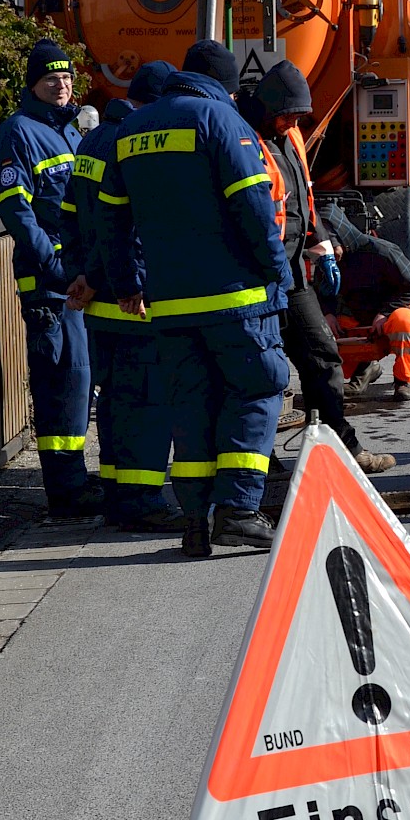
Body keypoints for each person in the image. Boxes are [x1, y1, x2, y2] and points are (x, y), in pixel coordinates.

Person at [98, 39, 293, 559]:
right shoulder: (223, 122)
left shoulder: (131, 130)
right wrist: (280, 271)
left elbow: (111, 221)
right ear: (225, 84)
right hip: (237, 298)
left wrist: (127, 285)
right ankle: (240, 511)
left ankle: (194, 523)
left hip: (170, 302)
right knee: (256, 390)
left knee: (191, 406)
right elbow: (254, 206)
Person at [242, 62, 395, 475]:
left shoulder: (287, 135)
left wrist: (318, 240)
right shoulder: (244, 139)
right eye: (288, 114)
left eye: (298, 116)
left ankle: (342, 447)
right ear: (270, 107)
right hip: (257, 275)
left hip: (291, 272)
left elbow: (300, 197)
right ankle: (258, 459)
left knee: (322, 357)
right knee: (260, 371)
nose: (294, 122)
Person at [64, 60, 182, 535]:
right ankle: (140, 501)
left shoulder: (92, 139)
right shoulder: (132, 142)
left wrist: (80, 276)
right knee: (146, 403)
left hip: (98, 306)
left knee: (113, 401)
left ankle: (117, 493)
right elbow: (129, 226)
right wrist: (106, 277)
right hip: (129, 298)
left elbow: (70, 216)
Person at [0, 38, 100, 518]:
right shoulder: (18, 132)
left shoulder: (71, 131)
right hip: (49, 281)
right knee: (62, 380)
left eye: (68, 77)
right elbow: (17, 210)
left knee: (79, 381)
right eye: (52, 78)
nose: (62, 85)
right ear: (34, 83)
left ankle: (72, 478)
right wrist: (56, 268)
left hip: (77, 277)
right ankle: (65, 490)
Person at [315, 205, 410, 401]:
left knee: (405, 322)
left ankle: (403, 381)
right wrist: (327, 314)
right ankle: (363, 369)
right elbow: (320, 293)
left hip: (389, 317)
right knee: (323, 329)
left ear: (344, 239)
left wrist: (384, 314)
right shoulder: (327, 263)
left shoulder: (382, 251)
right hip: (357, 320)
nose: (333, 256)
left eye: (334, 248)